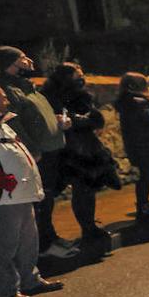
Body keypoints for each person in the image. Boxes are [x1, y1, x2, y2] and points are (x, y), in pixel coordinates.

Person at [0, 83, 62, 297]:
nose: (6, 100)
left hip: (19, 194)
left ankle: (31, 281)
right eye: (1, 96)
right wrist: (3, 182)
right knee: (4, 246)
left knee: (28, 241)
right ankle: (6, 292)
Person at [0, 46, 76, 259]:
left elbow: (38, 115)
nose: (29, 61)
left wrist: (56, 121)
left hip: (51, 149)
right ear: (11, 63)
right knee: (40, 202)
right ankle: (44, 245)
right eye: (23, 58)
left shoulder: (28, 86)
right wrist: (32, 150)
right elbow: (15, 123)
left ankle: (50, 236)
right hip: (37, 154)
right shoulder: (7, 89)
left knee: (48, 199)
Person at [40, 62, 117, 243]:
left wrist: (87, 120)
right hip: (67, 150)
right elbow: (65, 120)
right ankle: (67, 233)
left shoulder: (81, 95)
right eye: (77, 74)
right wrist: (81, 121)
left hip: (85, 148)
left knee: (86, 190)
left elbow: (94, 118)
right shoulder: (51, 96)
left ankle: (89, 227)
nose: (81, 77)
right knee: (75, 190)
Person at [114, 73, 149, 220]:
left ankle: (143, 206)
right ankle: (144, 206)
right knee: (147, 176)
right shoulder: (139, 102)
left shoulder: (125, 102)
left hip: (135, 144)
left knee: (144, 176)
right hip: (146, 144)